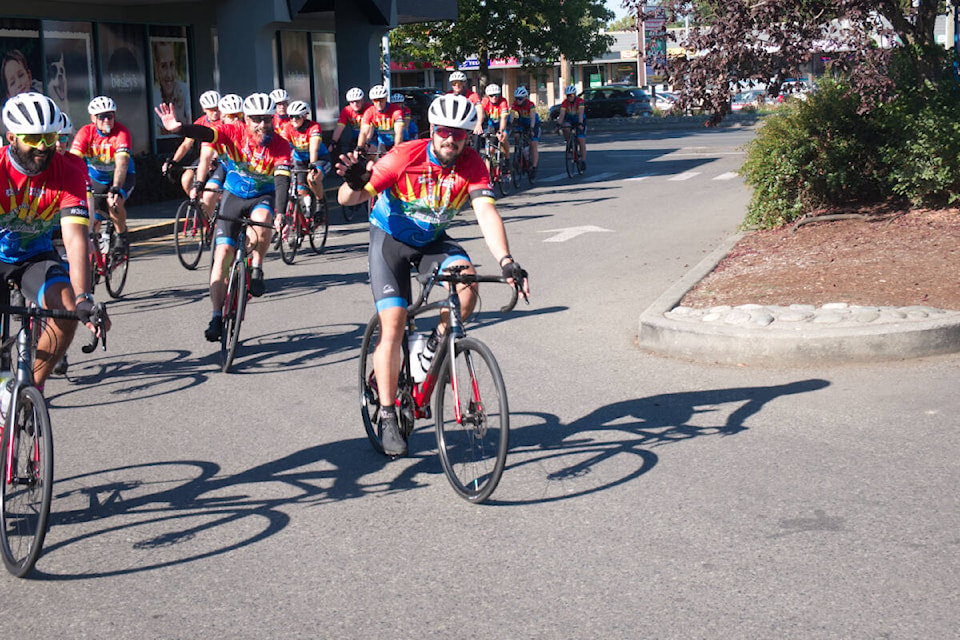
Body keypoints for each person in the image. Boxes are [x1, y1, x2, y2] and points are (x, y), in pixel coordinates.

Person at [336, 93, 529, 456]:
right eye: (443, 130)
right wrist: (354, 183)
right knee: (392, 322)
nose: (450, 139)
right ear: (432, 129)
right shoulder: (403, 157)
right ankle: (390, 415)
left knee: (467, 288)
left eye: (459, 133)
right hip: (389, 241)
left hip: (431, 240)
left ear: (468, 137)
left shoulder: (472, 164)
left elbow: (487, 214)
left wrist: (506, 260)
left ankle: (431, 344)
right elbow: (350, 199)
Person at [0, 92, 109, 410]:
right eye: (33, 138)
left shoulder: (70, 170)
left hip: (35, 257)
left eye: (49, 136)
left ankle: (26, 390)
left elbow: (75, 239)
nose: (43, 146)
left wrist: (82, 298)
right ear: (11, 137)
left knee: (66, 310)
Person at [156, 93, 291, 342]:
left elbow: (282, 181)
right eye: (256, 119)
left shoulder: (281, 145)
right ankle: (216, 316)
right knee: (221, 258)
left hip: (263, 195)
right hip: (233, 195)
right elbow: (206, 135)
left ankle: (257, 268)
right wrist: (179, 128)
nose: (262, 125)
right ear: (246, 119)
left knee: (262, 223)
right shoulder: (234, 131)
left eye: (267, 119)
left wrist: (281, 214)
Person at [70, 95, 136, 252]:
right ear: (93, 118)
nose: (106, 120)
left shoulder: (121, 133)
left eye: (110, 116)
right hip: (96, 178)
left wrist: (116, 187)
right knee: (92, 218)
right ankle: (95, 260)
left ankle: (121, 236)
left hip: (122, 176)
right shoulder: (85, 132)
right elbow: (73, 161)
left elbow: (121, 164)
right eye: (102, 116)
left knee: (114, 203)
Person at [163, 90, 221, 198]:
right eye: (211, 109)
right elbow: (186, 144)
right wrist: (174, 161)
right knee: (186, 179)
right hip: (205, 157)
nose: (215, 113)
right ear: (204, 109)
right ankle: (200, 207)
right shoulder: (200, 122)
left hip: (222, 157)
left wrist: (214, 159)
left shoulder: (224, 122)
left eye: (217, 109)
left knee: (214, 188)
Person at [278, 100, 331, 220]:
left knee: (312, 178)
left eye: (297, 117)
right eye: (291, 117)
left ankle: (319, 202)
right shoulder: (288, 127)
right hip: (300, 160)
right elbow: (283, 146)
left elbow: (314, 148)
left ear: (305, 116)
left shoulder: (314, 127)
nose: (294, 120)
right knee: (300, 189)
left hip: (319, 158)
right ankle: (305, 214)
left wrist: (312, 164)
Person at [357, 84, 404, 159]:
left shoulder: (396, 110)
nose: (378, 103)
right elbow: (363, 132)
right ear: (372, 101)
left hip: (399, 139)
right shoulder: (369, 112)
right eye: (375, 100)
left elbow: (399, 132)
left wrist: (397, 147)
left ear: (386, 98)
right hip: (382, 141)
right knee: (372, 159)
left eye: (381, 100)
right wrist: (360, 147)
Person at [152, 40, 190, 134]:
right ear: (156, 68)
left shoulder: (185, 90)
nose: (169, 74)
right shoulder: (154, 97)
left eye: (172, 65)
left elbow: (191, 129)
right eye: (164, 66)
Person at [509, 86, 541, 180]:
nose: (518, 101)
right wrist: (509, 125)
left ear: (525, 98)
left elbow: (532, 118)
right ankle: (518, 151)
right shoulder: (514, 104)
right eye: (516, 98)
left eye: (520, 99)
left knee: (533, 144)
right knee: (516, 135)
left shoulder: (530, 104)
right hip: (522, 123)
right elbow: (511, 117)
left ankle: (534, 167)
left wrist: (531, 128)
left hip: (533, 124)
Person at [478, 83, 510, 167]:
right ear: (488, 96)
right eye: (491, 96)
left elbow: (503, 118)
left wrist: (501, 131)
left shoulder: (503, 101)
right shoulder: (485, 101)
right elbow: (480, 115)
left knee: (503, 138)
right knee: (489, 150)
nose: (494, 97)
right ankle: (488, 175)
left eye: (496, 95)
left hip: (501, 124)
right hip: (491, 125)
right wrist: (478, 127)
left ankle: (507, 159)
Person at [330, 87, 368, 156]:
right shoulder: (346, 110)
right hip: (355, 138)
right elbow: (340, 127)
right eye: (352, 102)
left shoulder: (369, 109)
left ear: (362, 100)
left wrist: (366, 142)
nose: (355, 104)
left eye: (357, 101)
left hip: (370, 138)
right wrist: (333, 142)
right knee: (350, 156)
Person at [557, 84, 586, 171]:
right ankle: (569, 142)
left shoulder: (580, 101)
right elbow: (562, 115)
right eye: (568, 96)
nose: (570, 97)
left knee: (581, 140)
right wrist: (558, 124)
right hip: (570, 119)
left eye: (572, 95)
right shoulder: (564, 103)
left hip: (579, 120)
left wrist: (580, 123)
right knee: (565, 127)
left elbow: (581, 113)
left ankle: (583, 161)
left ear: (575, 94)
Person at [447, 71, 483, 140]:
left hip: (469, 123)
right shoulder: (448, 95)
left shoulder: (473, 95)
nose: (457, 85)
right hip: (455, 123)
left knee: (476, 139)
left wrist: (478, 124)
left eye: (459, 83)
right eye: (454, 83)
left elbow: (479, 110)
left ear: (464, 83)